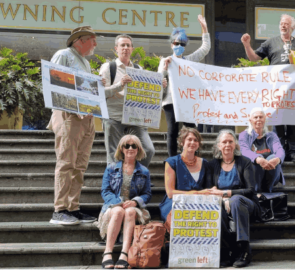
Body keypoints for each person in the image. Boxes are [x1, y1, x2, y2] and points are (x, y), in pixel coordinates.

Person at [48, 26, 99, 225]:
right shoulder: (63, 55)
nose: (95, 44)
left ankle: (73, 207)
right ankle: (59, 209)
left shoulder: (85, 62)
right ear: (79, 40)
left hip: (86, 118)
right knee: (66, 162)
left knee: (80, 165)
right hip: (69, 115)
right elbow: (54, 82)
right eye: (92, 40)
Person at [241, 14, 295, 162]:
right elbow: (254, 58)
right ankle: (280, 151)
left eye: (286, 23)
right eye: (281, 23)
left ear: (292, 27)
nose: (283, 25)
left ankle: (292, 152)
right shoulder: (271, 42)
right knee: (278, 120)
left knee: (293, 121)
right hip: (276, 89)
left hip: (294, 88)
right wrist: (247, 45)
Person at [207, 129, 261, 268]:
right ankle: (224, 253)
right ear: (218, 145)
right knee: (217, 206)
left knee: (236, 200)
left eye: (230, 141)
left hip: (247, 205)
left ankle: (243, 250)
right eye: (224, 142)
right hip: (223, 203)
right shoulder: (212, 165)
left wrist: (227, 194)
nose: (227, 145)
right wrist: (224, 200)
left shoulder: (245, 162)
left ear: (235, 144)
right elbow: (211, 190)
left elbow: (250, 190)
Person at [99, 34, 155, 167]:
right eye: (122, 45)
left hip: (135, 117)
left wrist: (160, 86)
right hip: (113, 117)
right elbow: (100, 93)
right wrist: (120, 85)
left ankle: (136, 176)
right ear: (116, 48)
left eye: (128, 45)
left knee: (148, 150)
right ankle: (115, 182)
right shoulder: (108, 67)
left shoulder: (138, 69)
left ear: (132, 49)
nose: (125, 48)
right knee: (113, 155)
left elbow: (146, 94)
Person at [159, 14, 211, 157]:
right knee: (172, 130)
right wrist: (164, 68)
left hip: (186, 100)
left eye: (182, 44)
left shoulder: (189, 60)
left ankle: (194, 156)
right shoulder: (166, 60)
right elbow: (159, 81)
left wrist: (204, 27)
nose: (179, 46)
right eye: (176, 43)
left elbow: (205, 48)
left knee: (192, 129)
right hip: (170, 101)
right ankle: (172, 160)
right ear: (171, 44)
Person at [97, 135, 152, 269]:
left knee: (130, 212)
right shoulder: (111, 168)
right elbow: (105, 191)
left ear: (138, 149)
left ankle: (124, 253)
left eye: (134, 146)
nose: (130, 148)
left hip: (133, 208)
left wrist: (135, 202)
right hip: (114, 205)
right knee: (118, 211)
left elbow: (147, 194)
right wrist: (118, 202)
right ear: (121, 148)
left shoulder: (144, 171)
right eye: (127, 145)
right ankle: (107, 253)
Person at [158, 127, 210, 222]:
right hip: (175, 202)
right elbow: (170, 193)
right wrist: (194, 193)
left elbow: (208, 188)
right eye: (189, 139)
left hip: (198, 202)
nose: (192, 142)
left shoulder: (205, 163)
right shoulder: (171, 162)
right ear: (182, 142)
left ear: (198, 144)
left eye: (196, 140)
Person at [239, 107, 285, 193]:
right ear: (250, 120)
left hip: (271, 173)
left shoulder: (271, 135)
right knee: (252, 160)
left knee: (273, 156)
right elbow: (244, 151)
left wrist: (277, 159)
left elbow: (279, 150)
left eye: (261, 117)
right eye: (255, 117)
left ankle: (267, 190)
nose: (258, 119)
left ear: (265, 119)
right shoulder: (244, 135)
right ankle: (257, 191)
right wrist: (258, 159)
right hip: (253, 174)